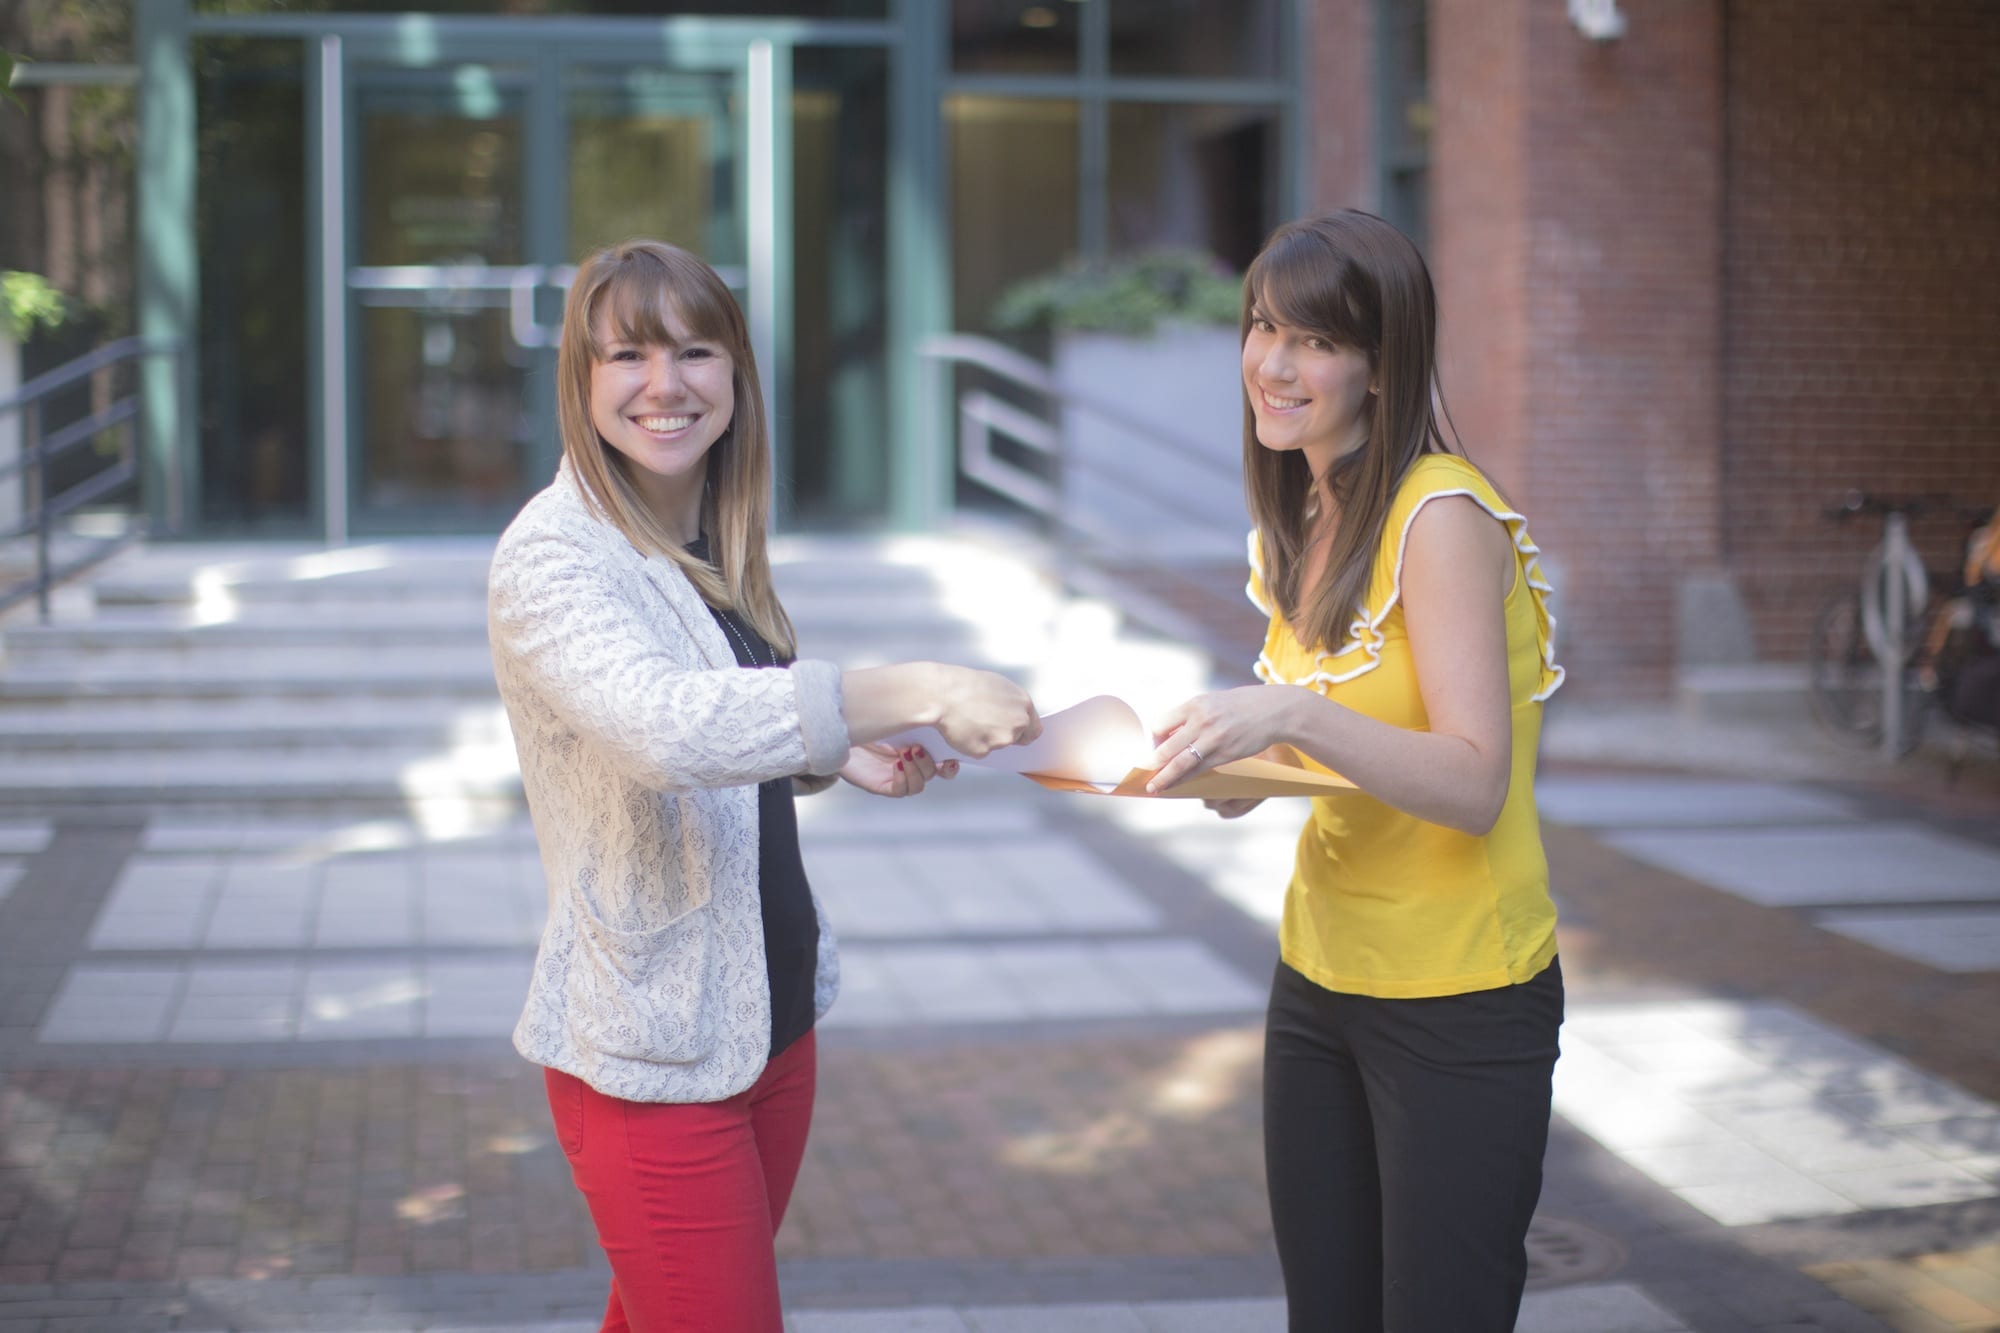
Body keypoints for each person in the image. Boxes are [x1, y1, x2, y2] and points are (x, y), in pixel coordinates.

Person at [486, 238, 1040, 1333]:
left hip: (767, 1028)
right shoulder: (553, 556)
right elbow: (658, 727)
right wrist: (918, 685)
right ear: (580, 381)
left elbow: (735, 710)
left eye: (695, 349)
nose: (665, 384)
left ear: (735, 373)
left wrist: (826, 752)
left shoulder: (701, 532)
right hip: (652, 1061)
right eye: (627, 355)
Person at [1146, 210, 1565, 1331]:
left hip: (1458, 993)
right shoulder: (1306, 510)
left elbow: (1472, 780)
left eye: (1316, 341)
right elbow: (1336, 744)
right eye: (1261, 327)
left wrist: (1289, 713)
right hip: (1319, 976)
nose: (1273, 365)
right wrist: (1229, 766)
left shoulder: (1437, 515)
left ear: (1381, 366)